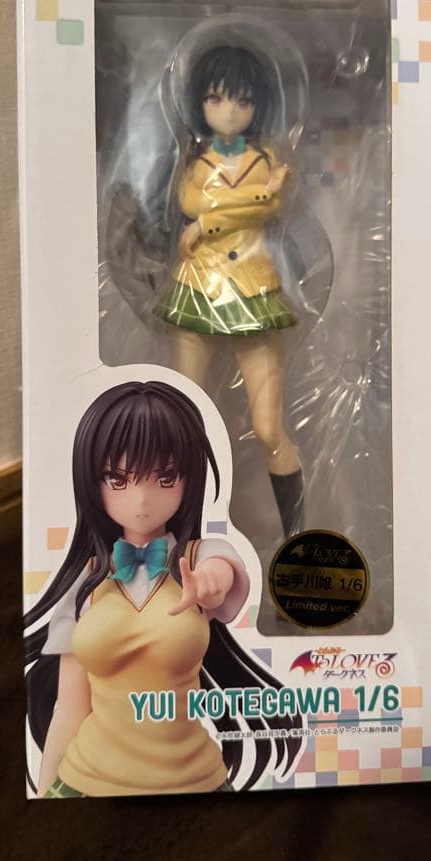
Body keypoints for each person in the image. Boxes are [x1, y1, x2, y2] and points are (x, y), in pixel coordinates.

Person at [24, 380, 301, 796]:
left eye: (165, 477)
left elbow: (223, 568)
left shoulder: (197, 557)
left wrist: (210, 582)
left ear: (189, 479)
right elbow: (70, 705)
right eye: (117, 479)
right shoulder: (86, 582)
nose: (141, 499)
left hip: (194, 777)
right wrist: (45, 798)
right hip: (85, 779)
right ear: (91, 482)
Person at [153, 45, 304, 536]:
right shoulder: (197, 163)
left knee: (269, 427)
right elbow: (193, 201)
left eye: (242, 101)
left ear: (258, 104)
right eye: (216, 99)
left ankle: (296, 539)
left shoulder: (267, 159)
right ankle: (185, 532)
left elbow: (263, 210)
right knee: (185, 417)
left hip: (255, 291)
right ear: (199, 103)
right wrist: (253, 196)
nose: (230, 112)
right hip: (199, 286)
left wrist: (208, 223)